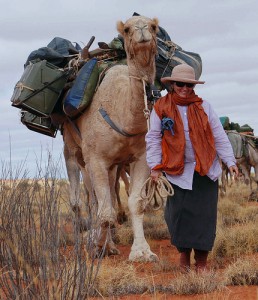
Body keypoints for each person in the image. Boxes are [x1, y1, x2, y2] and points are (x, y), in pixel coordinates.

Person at [145, 64, 238, 272]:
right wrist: (154, 166)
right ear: (172, 85)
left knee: (204, 217)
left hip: (205, 169)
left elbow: (219, 136)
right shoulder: (161, 107)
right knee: (178, 216)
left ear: (193, 85)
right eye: (180, 84)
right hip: (176, 171)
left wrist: (230, 162)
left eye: (188, 84)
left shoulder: (205, 107)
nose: (185, 88)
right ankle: (184, 257)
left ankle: (202, 262)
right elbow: (153, 138)